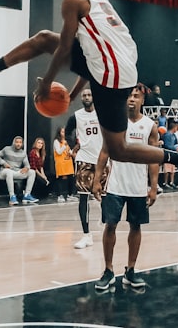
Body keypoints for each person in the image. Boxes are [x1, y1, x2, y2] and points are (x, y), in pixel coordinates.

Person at [0, 0, 178, 183]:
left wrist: (47, 83)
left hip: (113, 76)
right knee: (45, 39)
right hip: (119, 69)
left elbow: (66, 48)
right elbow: (87, 57)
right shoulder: (101, 3)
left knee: (118, 150)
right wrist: (73, 94)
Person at [92, 85, 159, 292]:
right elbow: (105, 151)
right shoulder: (115, 122)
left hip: (139, 187)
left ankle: (131, 270)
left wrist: (154, 186)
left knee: (135, 227)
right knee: (110, 225)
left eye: (136, 96)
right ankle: (108, 271)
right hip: (115, 185)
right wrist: (96, 179)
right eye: (129, 95)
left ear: (142, 101)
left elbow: (155, 158)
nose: (131, 99)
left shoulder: (150, 126)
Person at [66, 88, 105, 247]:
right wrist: (73, 146)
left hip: (102, 159)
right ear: (81, 98)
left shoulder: (103, 113)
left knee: (106, 198)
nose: (87, 97)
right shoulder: (77, 115)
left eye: (89, 94)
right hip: (84, 160)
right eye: (84, 95)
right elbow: (67, 132)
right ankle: (86, 235)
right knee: (83, 197)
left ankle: (105, 229)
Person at [0, 136, 38, 206]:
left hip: (16, 172)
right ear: (14, 142)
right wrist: (4, 163)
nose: (18, 144)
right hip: (4, 172)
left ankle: (27, 195)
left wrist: (26, 168)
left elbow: (27, 165)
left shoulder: (23, 153)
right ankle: (12, 197)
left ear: (22, 144)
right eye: (17, 142)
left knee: (32, 172)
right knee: (9, 172)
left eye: (20, 142)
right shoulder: (6, 149)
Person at [52, 127, 74, 203]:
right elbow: (58, 152)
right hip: (61, 162)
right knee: (61, 178)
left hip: (68, 162)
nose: (64, 133)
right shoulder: (56, 141)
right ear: (59, 133)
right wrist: (64, 146)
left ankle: (70, 195)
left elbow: (70, 151)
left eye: (65, 132)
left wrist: (72, 152)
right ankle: (60, 195)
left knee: (71, 178)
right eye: (62, 132)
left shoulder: (66, 141)